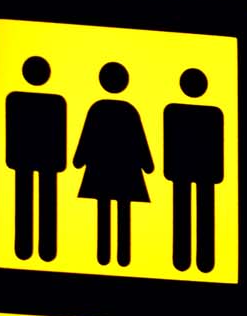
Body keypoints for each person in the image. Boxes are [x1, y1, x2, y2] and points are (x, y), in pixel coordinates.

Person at [73, 61, 153, 267]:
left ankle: (105, 255)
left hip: (102, 169)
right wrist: (147, 164)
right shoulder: (128, 110)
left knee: (104, 209)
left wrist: (79, 159)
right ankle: (121, 256)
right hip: (125, 170)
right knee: (122, 210)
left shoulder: (98, 109)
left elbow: (87, 138)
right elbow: (139, 140)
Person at [3, 55, 66, 261]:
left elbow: (59, 134)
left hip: (30, 158)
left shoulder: (17, 100)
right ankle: (34, 249)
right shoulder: (54, 102)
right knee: (38, 201)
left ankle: (35, 249)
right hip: (37, 159)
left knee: (31, 201)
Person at [162, 68, 225, 272]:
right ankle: (198, 260)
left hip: (186, 170)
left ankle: (189, 260)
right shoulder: (212, 114)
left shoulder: (174, 111)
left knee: (185, 212)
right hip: (200, 171)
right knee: (200, 212)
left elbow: (171, 143)